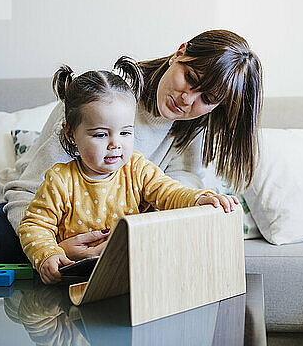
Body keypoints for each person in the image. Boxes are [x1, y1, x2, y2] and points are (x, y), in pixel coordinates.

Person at [0, 29, 263, 268]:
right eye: (190, 79)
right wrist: (52, 248)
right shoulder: (103, 98)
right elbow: (26, 195)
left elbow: (173, 194)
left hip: (105, 225)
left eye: (207, 98)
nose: (188, 100)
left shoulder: (194, 124)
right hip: (29, 209)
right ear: (180, 52)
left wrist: (135, 231)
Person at [19, 60, 238, 284]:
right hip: (76, 274)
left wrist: (199, 198)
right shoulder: (60, 179)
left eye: (125, 133)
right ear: (70, 134)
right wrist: (49, 254)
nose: (115, 144)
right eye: (100, 135)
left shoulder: (137, 168)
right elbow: (34, 225)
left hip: (129, 274)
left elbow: (170, 192)